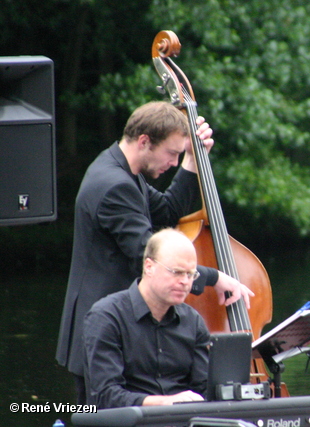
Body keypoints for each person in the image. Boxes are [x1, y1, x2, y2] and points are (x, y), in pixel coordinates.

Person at [56, 101, 253, 404]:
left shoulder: (123, 170)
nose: (173, 163)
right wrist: (214, 277)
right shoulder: (114, 186)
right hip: (104, 328)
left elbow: (166, 211)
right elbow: (147, 256)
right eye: (172, 153)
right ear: (145, 141)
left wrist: (192, 161)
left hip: (125, 324)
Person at [84, 228, 210, 408]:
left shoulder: (193, 321)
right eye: (177, 272)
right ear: (149, 266)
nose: (185, 282)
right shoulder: (107, 316)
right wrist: (165, 402)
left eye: (191, 274)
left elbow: (204, 388)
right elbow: (105, 396)